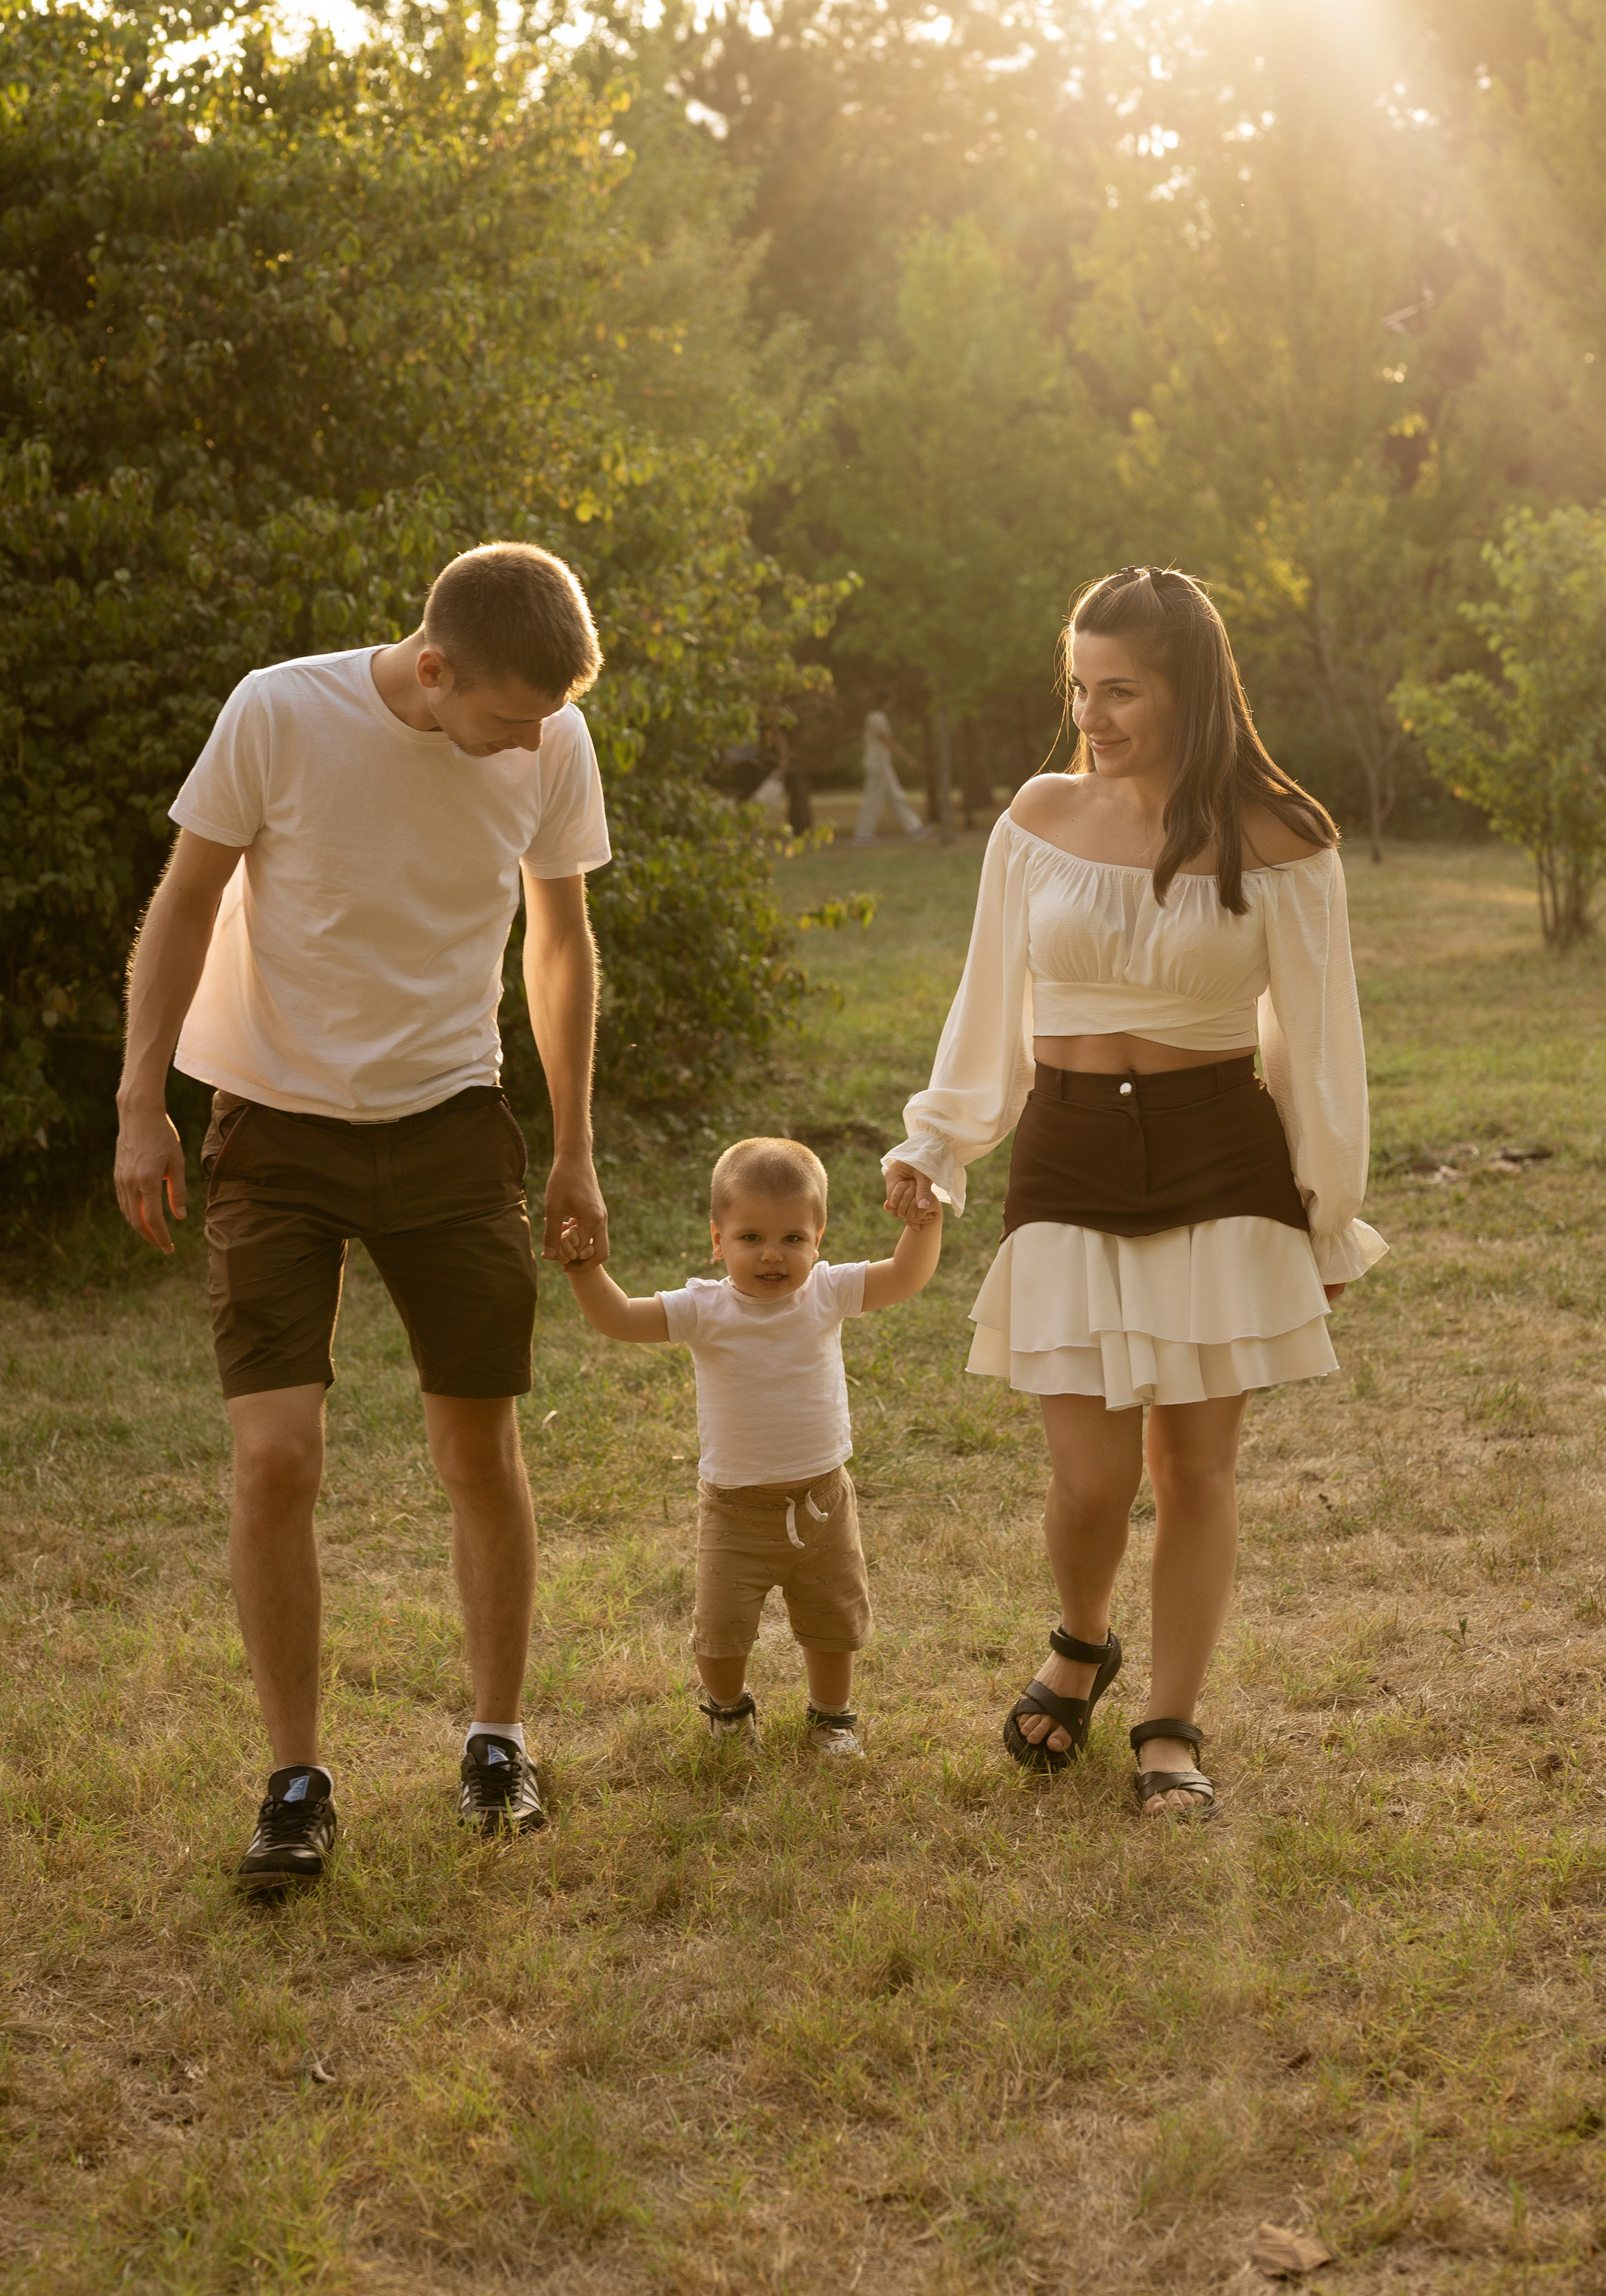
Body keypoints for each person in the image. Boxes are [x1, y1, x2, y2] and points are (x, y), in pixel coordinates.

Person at [113, 543, 612, 1887]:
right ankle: (293, 1780)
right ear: (435, 667)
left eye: (545, 724)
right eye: (508, 723)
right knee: (275, 1457)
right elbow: (184, 904)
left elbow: (558, 944)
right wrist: (138, 1102)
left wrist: (572, 1150)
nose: (528, 747)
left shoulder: (552, 740)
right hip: (273, 1126)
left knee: (476, 1447)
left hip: (453, 1121)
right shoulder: (279, 712)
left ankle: (495, 1742)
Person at [882, 567, 1385, 1821]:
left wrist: (1325, 1207)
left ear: (1190, 689)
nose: (1091, 715)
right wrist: (941, 1141)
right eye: (1080, 685)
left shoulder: (1280, 834)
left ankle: (1170, 1724)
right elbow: (988, 996)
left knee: (1197, 1465)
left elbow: (1317, 1046)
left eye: (1120, 691)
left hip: (1223, 1154)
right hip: (1067, 1154)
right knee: (1091, 1475)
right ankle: (1081, 1636)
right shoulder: (1042, 814)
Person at [559, 1137, 942, 1755]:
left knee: (833, 1621)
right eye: (750, 1238)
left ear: (820, 1240)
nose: (773, 1254)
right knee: (721, 1629)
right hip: (735, 1510)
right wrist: (584, 1269)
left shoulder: (826, 1292)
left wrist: (924, 1226)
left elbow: (905, 1275)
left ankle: (832, 1714)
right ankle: (729, 1711)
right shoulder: (705, 1307)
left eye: (793, 1238)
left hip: (822, 1502)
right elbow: (622, 1318)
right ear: (718, 1240)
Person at [854, 705, 930, 844]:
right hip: (879, 764)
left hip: (880, 762)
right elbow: (887, 740)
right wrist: (907, 758)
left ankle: (914, 828)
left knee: (895, 796)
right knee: (874, 799)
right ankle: (863, 835)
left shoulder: (872, 716)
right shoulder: (878, 718)